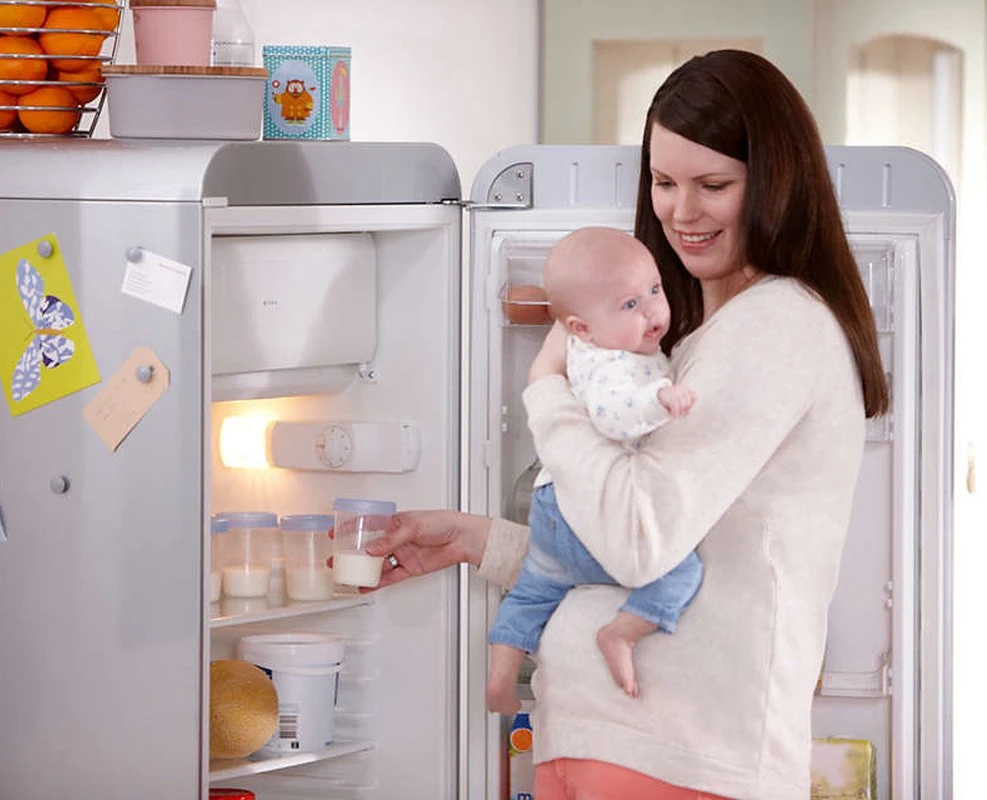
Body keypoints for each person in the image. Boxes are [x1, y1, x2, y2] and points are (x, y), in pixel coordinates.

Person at [368, 48, 890, 800]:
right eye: (664, 181)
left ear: (777, 182)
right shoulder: (701, 339)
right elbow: (635, 548)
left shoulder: (774, 326)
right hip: (612, 746)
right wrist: (473, 541)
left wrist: (547, 390)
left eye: (713, 185)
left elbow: (639, 542)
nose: (682, 212)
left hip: (676, 757)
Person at [487, 225, 702, 715]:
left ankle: (501, 674)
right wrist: (661, 399)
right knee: (679, 569)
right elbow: (614, 413)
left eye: (654, 290)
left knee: (534, 590)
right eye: (629, 304)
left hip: (553, 506)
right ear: (580, 328)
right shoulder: (612, 364)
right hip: (589, 511)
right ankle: (623, 632)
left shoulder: (589, 346)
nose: (652, 310)